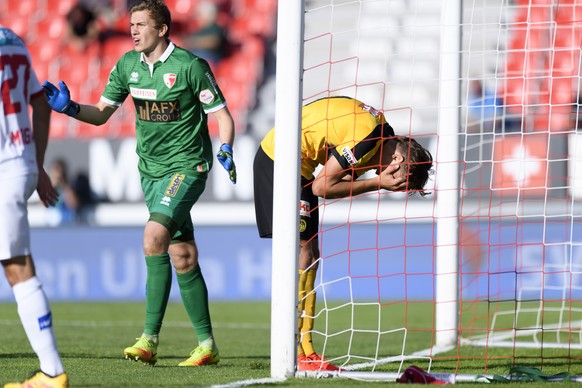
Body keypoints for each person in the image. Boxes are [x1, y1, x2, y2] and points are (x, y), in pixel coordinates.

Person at [42, 0, 237, 367]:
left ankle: (148, 339)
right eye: (131, 24)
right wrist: (70, 108)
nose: (133, 30)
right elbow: (101, 115)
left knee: (153, 237)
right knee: (182, 255)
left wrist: (225, 146)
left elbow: (222, 116)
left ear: (162, 29)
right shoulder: (127, 66)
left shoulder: (190, 67)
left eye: (141, 24)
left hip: (188, 166)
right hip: (151, 171)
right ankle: (207, 345)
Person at [253, 96, 433, 372]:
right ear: (396, 159)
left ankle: (305, 348)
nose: (383, 176)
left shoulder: (381, 133)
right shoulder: (369, 137)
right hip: (277, 160)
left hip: (299, 168)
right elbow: (322, 188)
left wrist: (374, 180)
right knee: (301, 250)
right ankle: (295, 348)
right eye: (397, 180)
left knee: (310, 253)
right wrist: (377, 183)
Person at [0, 26, 68, 387]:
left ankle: (53, 372)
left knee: (18, 267)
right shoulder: (12, 40)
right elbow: (39, 103)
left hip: (2, 167)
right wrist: (37, 164)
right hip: (19, 162)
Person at [183, 1, 228, 66]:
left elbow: (213, 42)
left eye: (199, 14)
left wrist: (193, 42)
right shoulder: (199, 30)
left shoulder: (215, 27)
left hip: (210, 57)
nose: (197, 17)